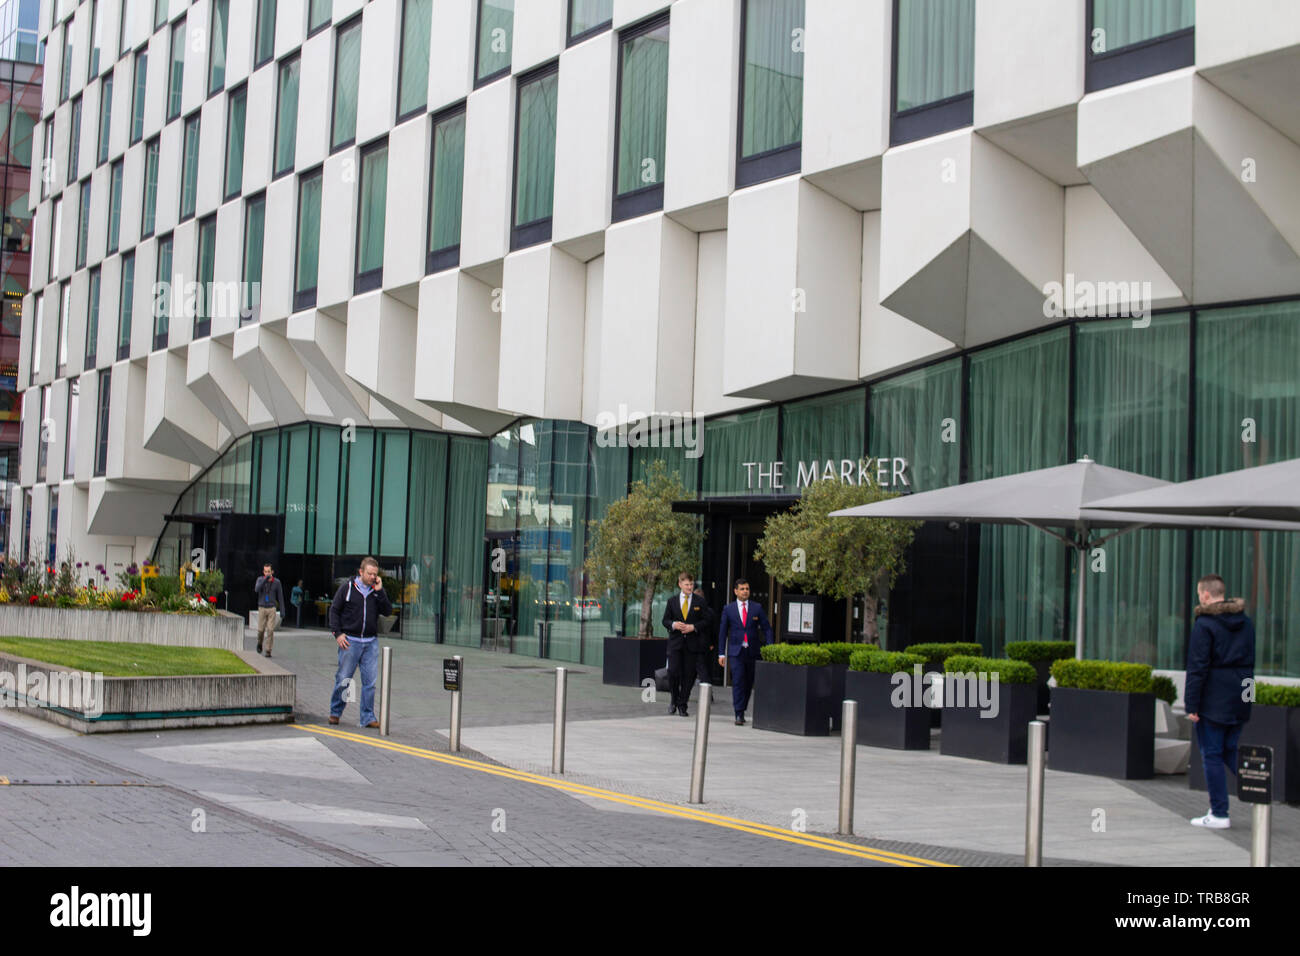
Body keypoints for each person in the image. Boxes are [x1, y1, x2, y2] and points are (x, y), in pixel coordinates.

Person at [1185, 573, 1255, 829]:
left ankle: (1219, 814)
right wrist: (1248, 699)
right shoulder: (1245, 622)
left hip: (1214, 699)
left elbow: (1197, 667)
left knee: (1212, 754)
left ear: (1205, 595)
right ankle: (1260, 791)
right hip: (1240, 695)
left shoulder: (1204, 624)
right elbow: (1250, 663)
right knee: (1229, 750)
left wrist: (1191, 705)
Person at [328, 557, 393, 729]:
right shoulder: (347, 588)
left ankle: (367, 717)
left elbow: (387, 611)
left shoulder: (376, 591)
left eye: (375, 574)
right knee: (344, 679)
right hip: (350, 641)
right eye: (370, 574)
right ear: (361, 572)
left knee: (370, 682)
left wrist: (380, 591)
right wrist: (338, 634)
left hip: (370, 642)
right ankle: (335, 712)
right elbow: (334, 610)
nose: (373, 577)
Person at [716, 578, 773, 725]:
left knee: (748, 683)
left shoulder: (757, 608)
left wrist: (770, 646)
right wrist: (721, 653)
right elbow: (722, 632)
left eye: (747, 589)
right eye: (742, 589)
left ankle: (742, 707)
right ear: (736, 591)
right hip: (736, 652)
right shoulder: (728, 609)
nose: (745, 591)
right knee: (738, 681)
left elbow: (767, 628)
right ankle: (738, 713)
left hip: (753, 651)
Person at [660, 572, 713, 717]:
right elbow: (665, 620)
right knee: (673, 672)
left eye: (691, 584)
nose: (690, 587)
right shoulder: (672, 601)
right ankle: (674, 700)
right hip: (676, 643)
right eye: (687, 584)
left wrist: (693, 627)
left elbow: (707, 620)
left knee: (689, 676)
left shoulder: (699, 601)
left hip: (692, 644)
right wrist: (674, 624)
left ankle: (683, 705)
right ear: (680, 584)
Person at [254, 563, 286, 657]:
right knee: (260, 630)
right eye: (265, 571)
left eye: (269, 571)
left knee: (270, 630)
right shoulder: (260, 580)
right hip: (262, 607)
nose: (267, 573)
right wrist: (265, 580)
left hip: (272, 608)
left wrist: (282, 610)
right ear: (263, 572)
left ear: (272, 572)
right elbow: (256, 589)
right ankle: (259, 643)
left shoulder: (276, 582)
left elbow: (280, 596)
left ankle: (268, 650)